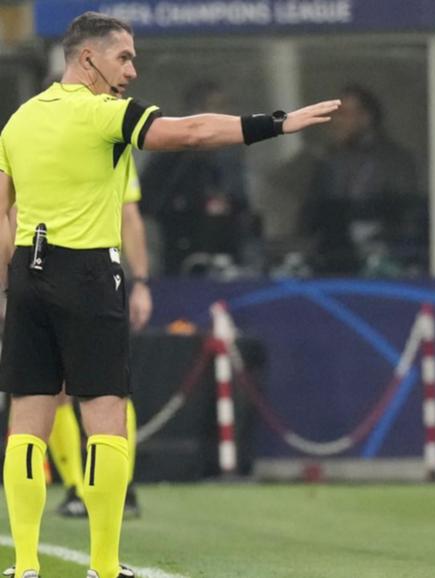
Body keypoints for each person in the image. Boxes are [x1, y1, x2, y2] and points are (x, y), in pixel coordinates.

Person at [0, 11, 338, 578]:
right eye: (123, 57)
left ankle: (26, 565)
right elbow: (191, 132)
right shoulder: (103, 114)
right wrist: (277, 123)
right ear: (88, 58)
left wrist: (7, 289)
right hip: (87, 274)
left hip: (26, 277)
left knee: (25, 425)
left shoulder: (18, 122)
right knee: (104, 419)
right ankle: (104, 568)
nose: (132, 69)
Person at [52, 155, 150, 519]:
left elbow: (129, 216)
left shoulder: (109, 145)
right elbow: (130, 215)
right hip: (94, 276)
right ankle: (106, 488)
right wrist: (140, 283)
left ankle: (94, 487)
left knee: (74, 388)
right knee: (105, 386)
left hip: (59, 273)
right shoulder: (109, 141)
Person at [302, 84, 420, 276]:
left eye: (344, 114)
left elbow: (406, 213)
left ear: (366, 118)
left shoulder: (394, 160)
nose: (337, 122)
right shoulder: (328, 161)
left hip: (383, 260)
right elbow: (311, 214)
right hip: (333, 259)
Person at [140, 81, 253, 275]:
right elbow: (149, 201)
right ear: (197, 111)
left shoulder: (231, 155)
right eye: (216, 107)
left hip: (228, 254)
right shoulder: (171, 154)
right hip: (180, 251)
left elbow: (242, 203)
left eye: (226, 107)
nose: (224, 115)